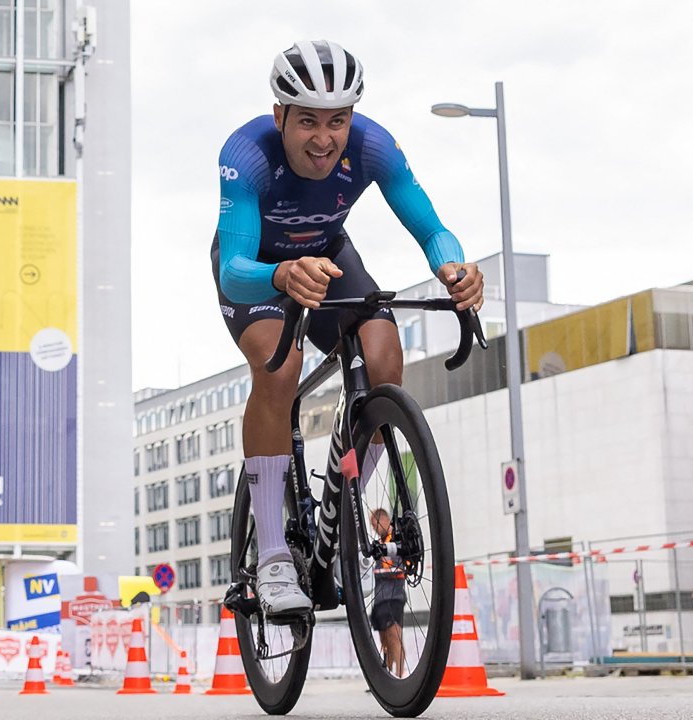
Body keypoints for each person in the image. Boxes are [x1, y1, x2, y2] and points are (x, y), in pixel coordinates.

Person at [212, 40, 484, 616]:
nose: (324, 138)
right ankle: (273, 554)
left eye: (337, 121)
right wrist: (283, 273)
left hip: (328, 256)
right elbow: (234, 274)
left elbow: (432, 228)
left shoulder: (374, 147)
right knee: (279, 368)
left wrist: (455, 269)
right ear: (280, 114)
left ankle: (345, 509)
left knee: (383, 358)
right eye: (307, 120)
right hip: (260, 268)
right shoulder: (247, 153)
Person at [370, 509, 406, 676]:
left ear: (384, 520)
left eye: (376, 524)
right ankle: (388, 674)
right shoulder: (381, 542)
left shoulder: (396, 540)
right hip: (380, 597)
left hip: (394, 596)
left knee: (394, 636)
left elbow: (401, 566)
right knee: (384, 640)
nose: (375, 529)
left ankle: (400, 675)